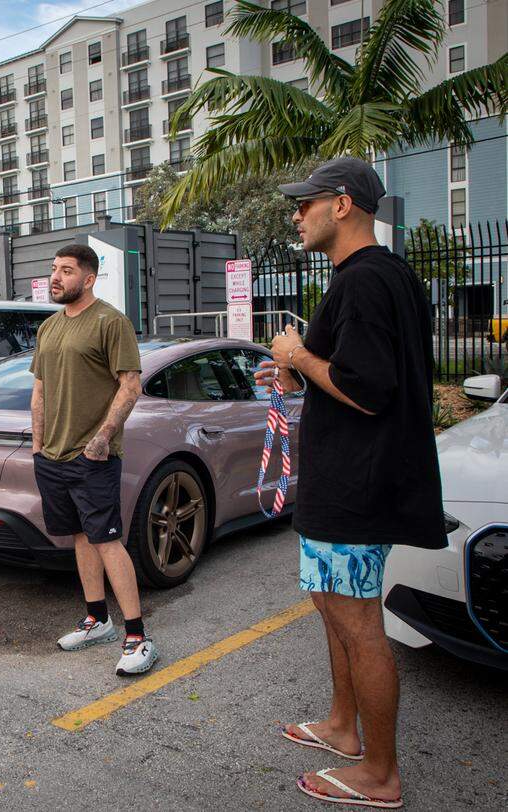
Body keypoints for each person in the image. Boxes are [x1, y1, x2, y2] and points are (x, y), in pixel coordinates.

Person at [255, 157, 445, 809]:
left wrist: (297, 356)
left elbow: (368, 391)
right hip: (344, 481)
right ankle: (341, 726)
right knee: (330, 602)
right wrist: (295, 375)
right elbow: (355, 376)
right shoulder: (376, 277)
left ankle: (380, 773)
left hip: (357, 488)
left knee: (358, 620)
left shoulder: (364, 281)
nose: (295, 214)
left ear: (341, 205)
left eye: (303, 203)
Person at [29, 244, 157, 677]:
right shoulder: (48, 327)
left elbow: (130, 384)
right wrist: (38, 445)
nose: (56, 277)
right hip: (52, 455)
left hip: (94, 454)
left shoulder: (109, 322)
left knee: (106, 539)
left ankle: (138, 636)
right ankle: (97, 618)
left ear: (88, 278)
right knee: (80, 537)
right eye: (53, 269)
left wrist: (102, 437)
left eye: (66, 270)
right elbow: (41, 389)